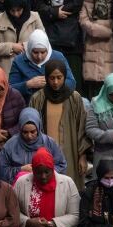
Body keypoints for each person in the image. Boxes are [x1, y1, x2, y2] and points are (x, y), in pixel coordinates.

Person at [30, 59, 90, 190]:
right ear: (46, 77)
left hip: (70, 153)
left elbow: (82, 128)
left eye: (59, 77)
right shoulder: (38, 98)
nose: (55, 82)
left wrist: (83, 156)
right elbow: (31, 129)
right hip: (45, 153)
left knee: (69, 189)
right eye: (52, 78)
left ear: (64, 76)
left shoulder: (75, 98)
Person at [31, 0, 85, 88]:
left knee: (72, 71)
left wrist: (63, 10)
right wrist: (54, 12)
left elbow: (78, 0)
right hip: (50, 28)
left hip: (71, 33)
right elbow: (37, 2)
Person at [0, 108, 67, 183]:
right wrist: (20, 170)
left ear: (38, 128)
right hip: (19, 187)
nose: (29, 136)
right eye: (25, 132)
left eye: (33, 132)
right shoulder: (11, 145)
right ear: (20, 129)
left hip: (44, 186)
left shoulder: (49, 143)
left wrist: (43, 172)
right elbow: (0, 169)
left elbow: (61, 165)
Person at [9, 29, 76, 102]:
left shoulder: (58, 57)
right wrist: (28, 85)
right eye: (35, 52)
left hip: (56, 101)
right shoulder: (19, 60)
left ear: (47, 49)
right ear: (29, 49)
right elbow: (10, 89)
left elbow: (71, 83)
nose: (39, 56)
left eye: (43, 52)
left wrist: (52, 82)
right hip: (29, 103)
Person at [0, 0, 44, 75]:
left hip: (30, 68)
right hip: (6, 71)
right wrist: (12, 47)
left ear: (24, 7)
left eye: (19, 10)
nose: (16, 14)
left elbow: (43, 43)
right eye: (12, 10)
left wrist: (24, 46)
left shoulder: (35, 17)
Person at [79, 0, 113, 97]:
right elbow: (83, 21)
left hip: (110, 44)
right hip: (92, 44)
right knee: (93, 82)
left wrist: (95, 24)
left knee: (109, 82)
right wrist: (104, 31)